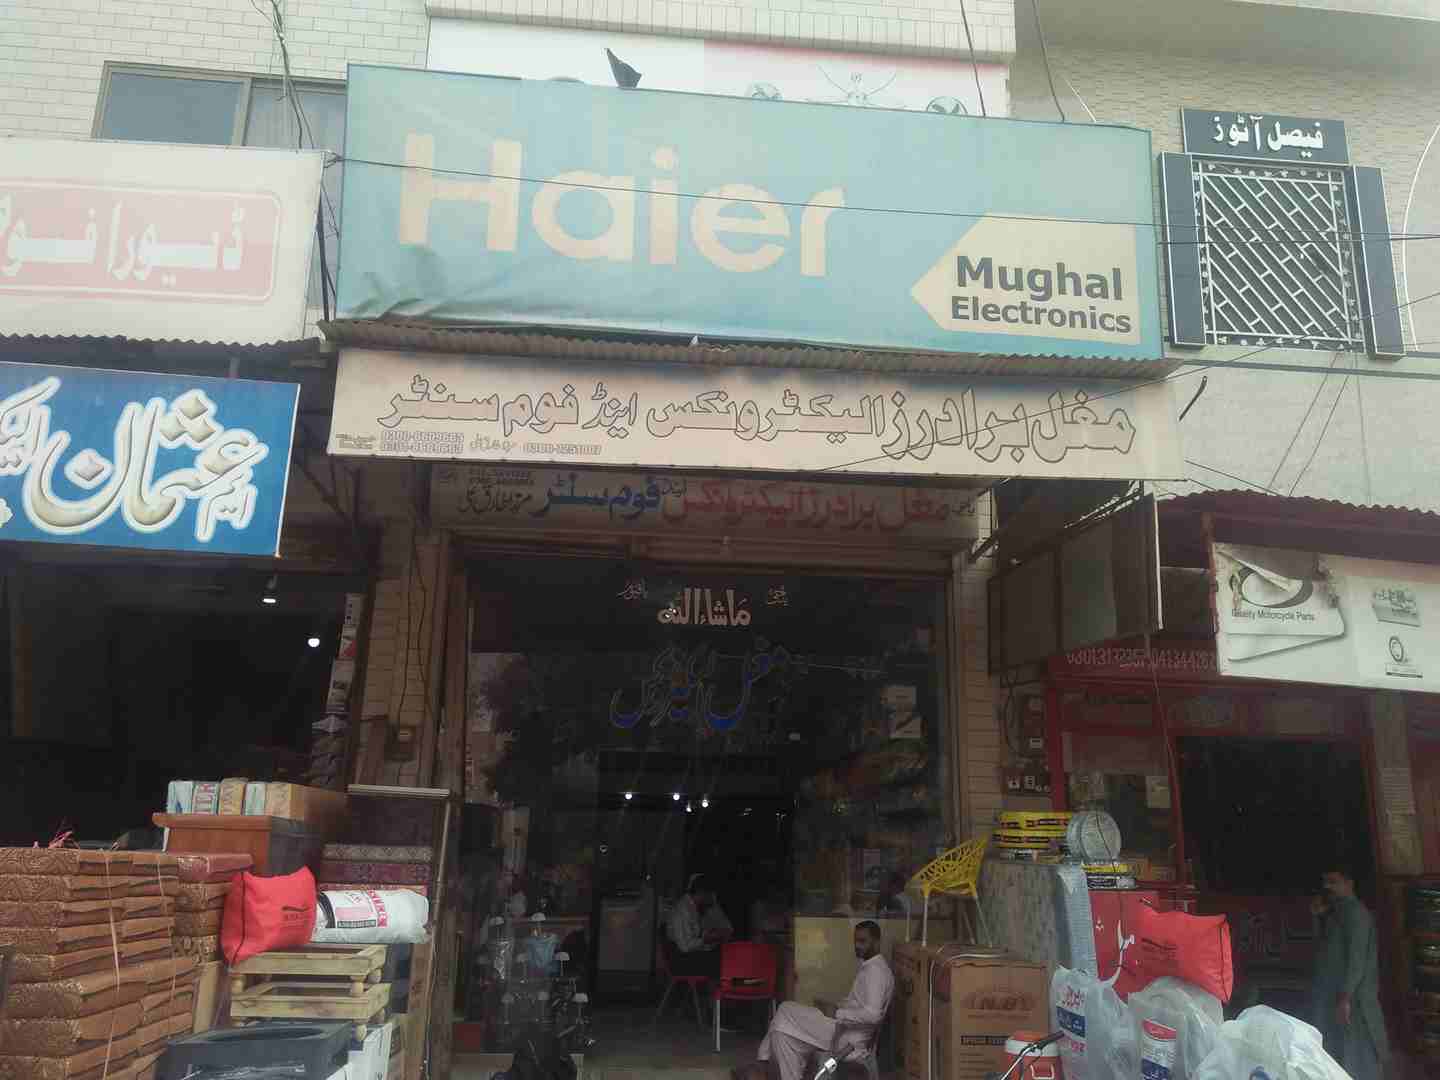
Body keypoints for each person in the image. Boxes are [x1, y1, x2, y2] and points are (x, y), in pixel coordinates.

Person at [741, 920, 893, 1080]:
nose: (857, 945)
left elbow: (873, 1015)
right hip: (843, 1027)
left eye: (863, 941)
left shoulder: (876, 972)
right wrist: (835, 1007)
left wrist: (837, 1013)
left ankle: (762, 1061)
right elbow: (859, 1006)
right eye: (855, 940)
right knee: (782, 1036)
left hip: (848, 1037)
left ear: (877, 942)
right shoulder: (871, 967)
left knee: (785, 1009)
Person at [1310, 867, 1389, 1080]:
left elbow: (1357, 959)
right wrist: (1317, 918)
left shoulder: (1357, 915)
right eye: (1325, 882)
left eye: (1333, 882)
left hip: (1353, 1000)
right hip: (1334, 997)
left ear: (1349, 883)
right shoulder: (1335, 913)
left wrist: (1346, 996)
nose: (1328, 887)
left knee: (1359, 1058)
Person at [666, 873, 730, 978]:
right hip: (682, 961)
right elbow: (685, 947)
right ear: (701, 893)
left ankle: (719, 986)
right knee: (724, 959)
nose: (713, 898)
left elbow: (694, 937)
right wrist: (705, 940)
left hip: (688, 956)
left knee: (724, 953)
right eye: (711, 894)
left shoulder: (691, 907)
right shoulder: (683, 910)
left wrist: (710, 938)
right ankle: (721, 987)